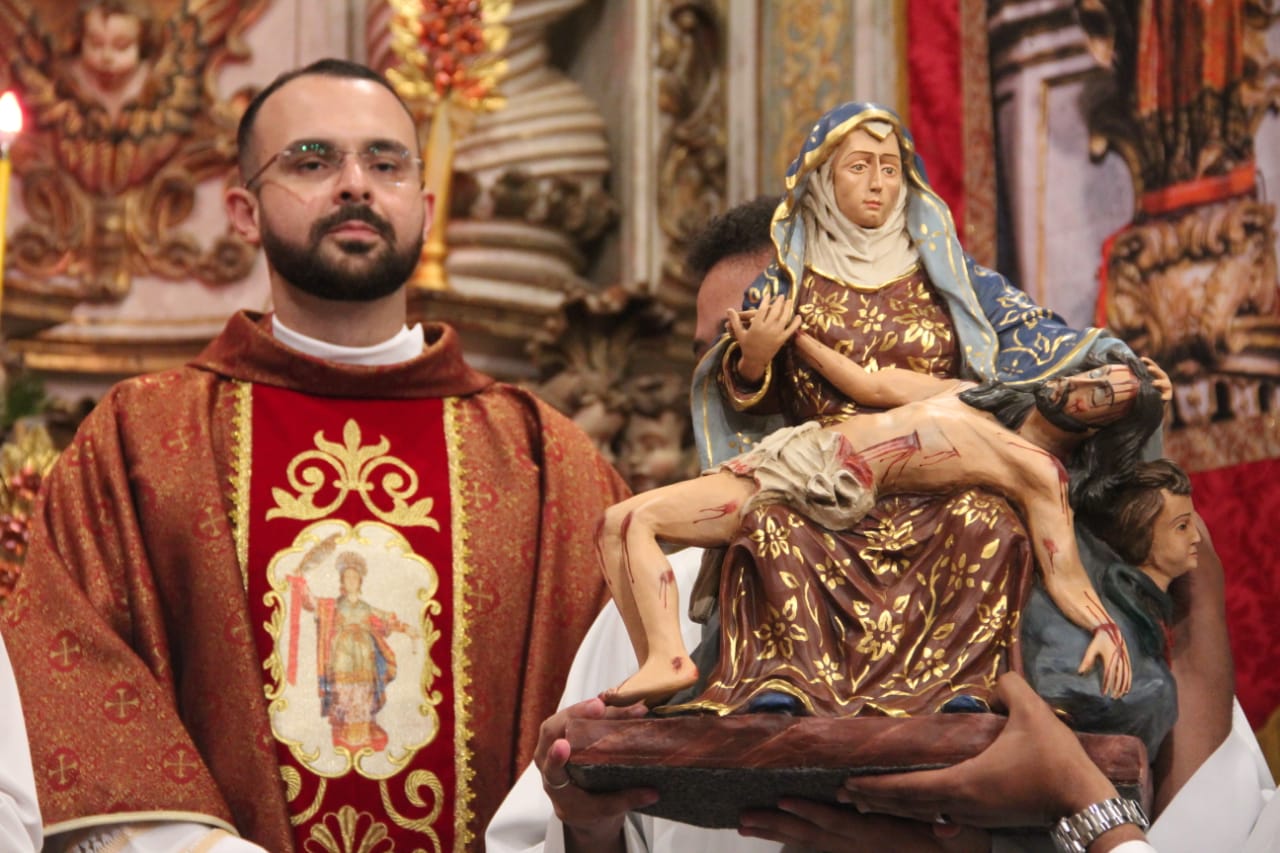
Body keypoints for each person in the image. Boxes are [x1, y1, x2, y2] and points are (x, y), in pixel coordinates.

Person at [484, 198, 1276, 853]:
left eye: (773, 348)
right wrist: (591, 829)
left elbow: (1202, 824)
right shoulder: (673, 584)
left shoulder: (1018, 547)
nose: (739, 390)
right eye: (714, 362)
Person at [0, 58, 627, 852]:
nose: (355, 184)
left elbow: (613, 716)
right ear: (242, 212)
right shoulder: (142, 441)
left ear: (426, 208)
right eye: (312, 161)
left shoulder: (549, 463)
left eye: (385, 162)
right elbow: (80, 687)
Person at [686, 102, 1140, 720]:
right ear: (823, 179)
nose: (878, 184)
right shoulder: (790, 280)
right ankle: (788, 686)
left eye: (890, 168)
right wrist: (753, 363)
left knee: (987, 526)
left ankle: (956, 690)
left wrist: (1115, 362)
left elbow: (1032, 336)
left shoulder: (947, 273)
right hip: (826, 480)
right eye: (859, 168)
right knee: (775, 534)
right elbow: (751, 389)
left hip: (939, 475)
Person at [598, 349, 1165, 709]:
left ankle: (670, 657)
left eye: (1099, 398)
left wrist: (1105, 627)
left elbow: (1062, 568)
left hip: (821, 482)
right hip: (801, 449)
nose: (1078, 388)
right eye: (1091, 375)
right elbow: (868, 385)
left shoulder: (1036, 470)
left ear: (1099, 431)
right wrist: (794, 337)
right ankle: (661, 665)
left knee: (640, 519)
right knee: (613, 524)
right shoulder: (968, 395)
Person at [1023, 460, 1200, 758]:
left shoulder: (1134, 603)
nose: (1196, 537)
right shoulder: (1120, 621)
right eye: (1182, 527)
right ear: (1143, 534)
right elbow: (1058, 686)